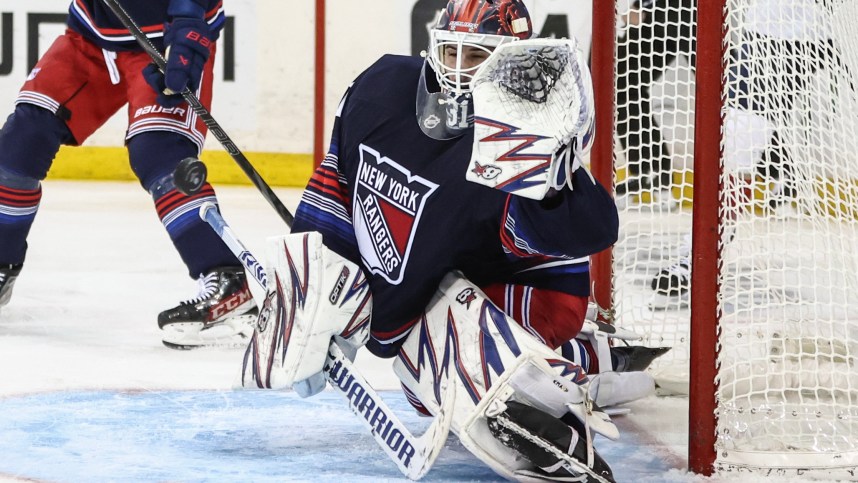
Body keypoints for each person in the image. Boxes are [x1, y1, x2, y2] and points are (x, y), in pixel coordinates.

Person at [240, 1, 665, 480]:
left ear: (512, 60)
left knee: (451, 340)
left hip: (528, 289)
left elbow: (589, 230)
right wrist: (313, 282)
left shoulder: (515, 138)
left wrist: (549, 185)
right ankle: (586, 357)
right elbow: (337, 182)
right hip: (442, 278)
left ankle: (574, 366)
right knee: (428, 377)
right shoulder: (381, 88)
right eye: (452, 52)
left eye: (478, 57)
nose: (460, 73)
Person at [0, 0, 257, 347]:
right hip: (91, 36)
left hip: (168, 35)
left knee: (159, 152)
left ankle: (227, 280)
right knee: (20, 144)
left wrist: (188, 16)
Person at [648, 0, 846, 308]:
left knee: (738, 139)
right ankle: (700, 251)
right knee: (731, 141)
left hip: (803, 41)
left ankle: (698, 255)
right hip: (760, 40)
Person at [615, 0, 696, 204]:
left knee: (716, 86)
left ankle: (780, 175)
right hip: (657, 13)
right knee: (623, 86)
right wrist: (639, 7)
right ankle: (645, 174)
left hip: (688, 14)